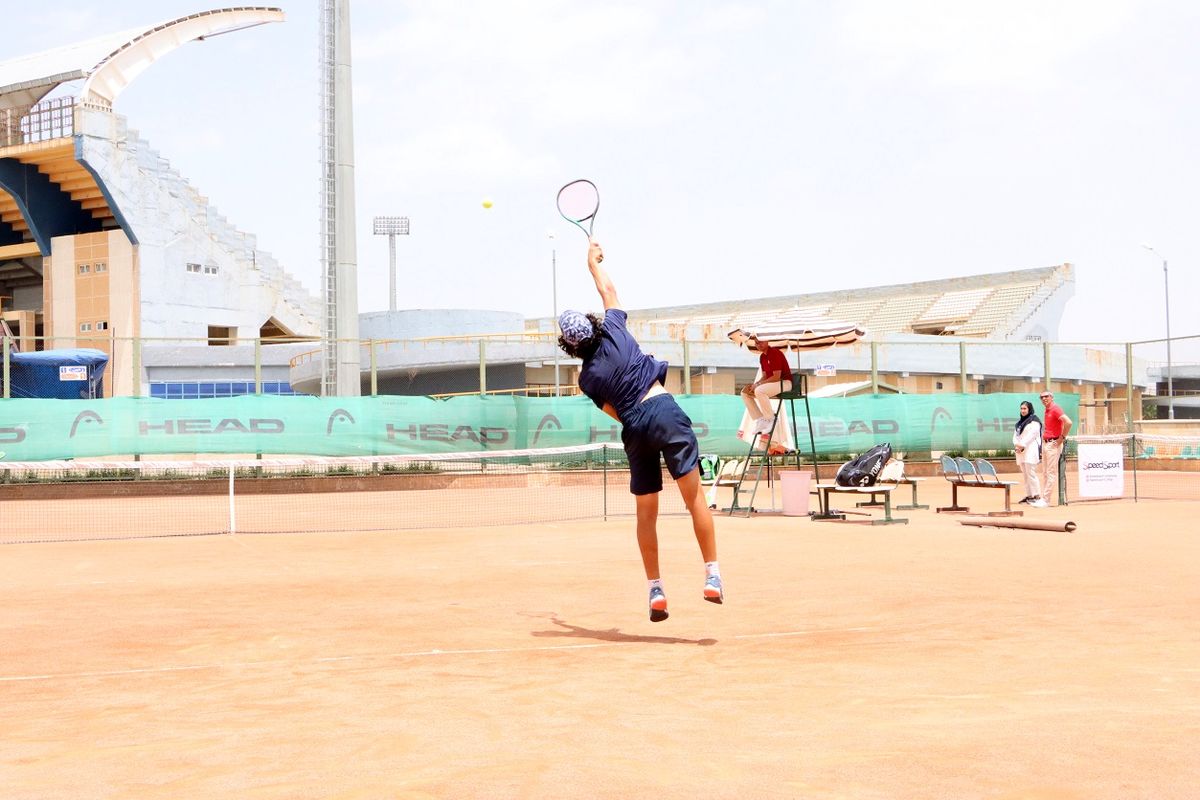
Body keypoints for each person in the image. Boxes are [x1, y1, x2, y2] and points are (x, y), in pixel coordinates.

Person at [557, 240, 722, 623]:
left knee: (646, 515)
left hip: (634, 426)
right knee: (694, 499)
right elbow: (608, 291)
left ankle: (656, 590)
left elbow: (616, 413)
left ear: (570, 346)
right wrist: (592, 263)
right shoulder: (615, 327)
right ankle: (711, 574)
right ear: (592, 323)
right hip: (663, 410)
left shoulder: (587, 379)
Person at [740, 339, 792, 435]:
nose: (758, 344)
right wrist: (755, 384)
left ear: (767, 341)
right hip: (773, 384)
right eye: (756, 343)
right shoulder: (762, 357)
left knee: (759, 390)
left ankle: (770, 419)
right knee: (745, 392)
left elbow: (776, 377)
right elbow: (764, 376)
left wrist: (758, 385)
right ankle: (760, 419)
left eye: (760, 342)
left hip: (784, 383)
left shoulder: (774, 353)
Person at [1038, 390, 1073, 506]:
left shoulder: (1055, 409)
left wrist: (1061, 438)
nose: (1044, 399)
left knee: (1051, 472)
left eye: (1046, 396)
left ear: (1052, 397)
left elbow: (1068, 422)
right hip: (1046, 443)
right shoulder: (1047, 410)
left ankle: (1046, 500)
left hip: (1053, 443)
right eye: (1041, 397)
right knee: (1045, 473)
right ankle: (1044, 498)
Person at [1013, 400, 1047, 507]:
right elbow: (1015, 436)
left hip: (1030, 450)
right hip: (1020, 451)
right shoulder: (1019, 423)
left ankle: (1036, 495)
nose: (1023, 410)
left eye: (1025, 408)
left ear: (1029, 409)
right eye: (1021, 408)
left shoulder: (1035, 421)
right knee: (1025, 474)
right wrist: (1017, 445)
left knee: (1031, 473)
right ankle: (1029, 495)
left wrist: (1022, 445)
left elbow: (1032, 435)